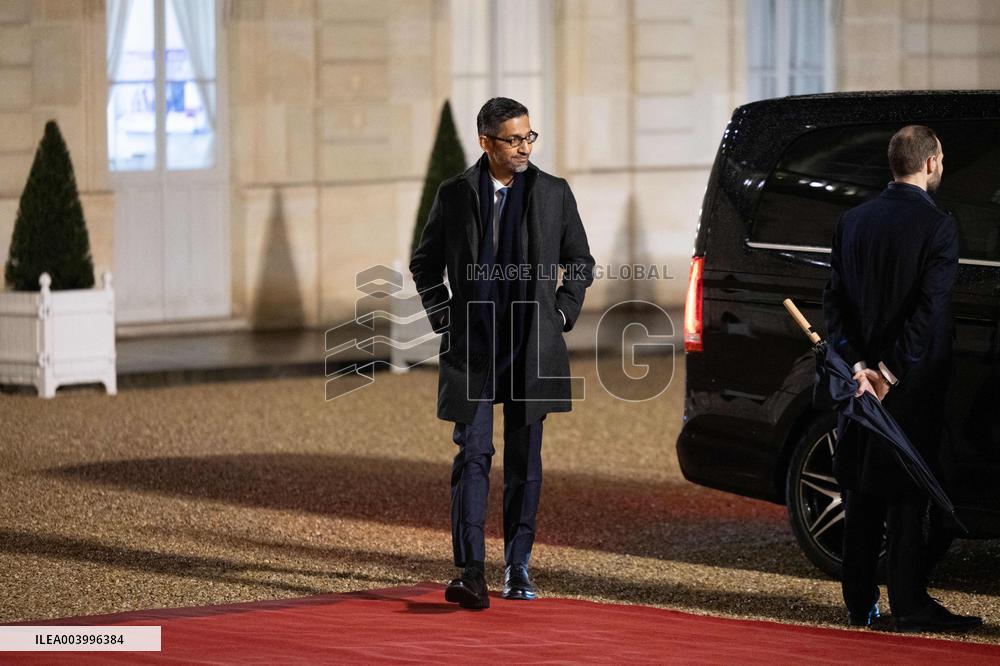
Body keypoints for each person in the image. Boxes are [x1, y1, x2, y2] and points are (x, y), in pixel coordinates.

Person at [409, 97, 594, 609]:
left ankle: (518, 565)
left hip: (531, 345)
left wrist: (561, 313)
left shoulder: (554, 193)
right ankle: (471, 571)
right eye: (513, 139)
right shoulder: (454, 194)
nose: (524, 147)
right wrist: (443, 316)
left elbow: (580, 261)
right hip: (473, 345)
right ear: (486, 142)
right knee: (472, 454)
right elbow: (424, 263)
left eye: (529, 137)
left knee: (524, 459)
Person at [823, 125, 981, 632]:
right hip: (908, 382)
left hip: (859, 381)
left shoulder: (852, 221)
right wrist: (888, 373)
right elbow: (927, 312)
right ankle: (909, 604)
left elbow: (834, 305)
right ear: (931, 162)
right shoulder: (938, 226)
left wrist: (857, 366)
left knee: (861, 490)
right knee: (907, 494)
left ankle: (859, 603)